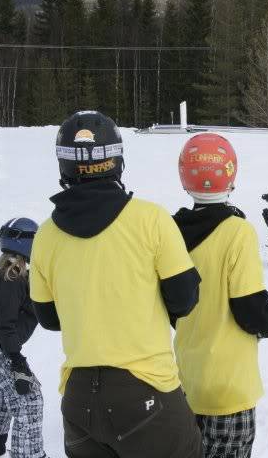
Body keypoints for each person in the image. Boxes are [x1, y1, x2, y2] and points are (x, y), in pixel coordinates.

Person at [29, 111, 203, 457]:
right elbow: (185, 298)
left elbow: (48, 318)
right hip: (148, 393)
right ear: (116, 160)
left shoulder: (46, 235)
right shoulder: (150, 219)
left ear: (64, 166)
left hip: (80, 403)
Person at [172, 132, 268, 458]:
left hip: (186, 387)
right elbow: (250, 310)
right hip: (228, 391)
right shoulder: (238, 232)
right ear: (230, 175)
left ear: (184, 176)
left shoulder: (171, 232)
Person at [0, 218, 47, 458]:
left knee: (4, 394)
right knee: (29, 400)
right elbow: (5, 325)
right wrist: (17, 361)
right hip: (3, 348)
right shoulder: (11, 279)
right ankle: (28, 454)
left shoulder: (15, 273)